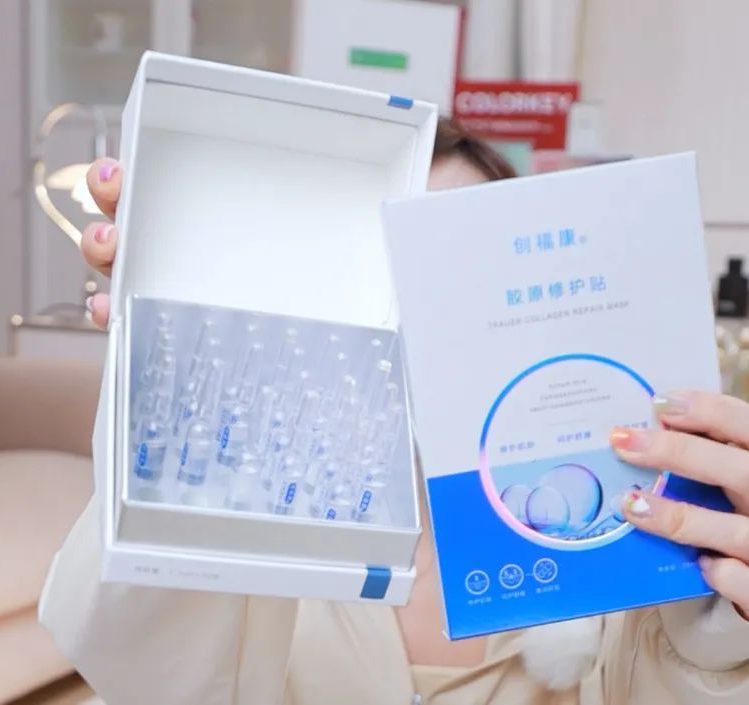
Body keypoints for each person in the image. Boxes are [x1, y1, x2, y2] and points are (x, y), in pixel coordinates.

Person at [40, 118, 749, 705]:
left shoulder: (618, 538)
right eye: (387, 273)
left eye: (459, 267)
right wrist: (176, 391)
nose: (421, 314)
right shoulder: (260, 526)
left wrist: (725, 629)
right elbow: (136, 660)